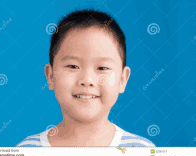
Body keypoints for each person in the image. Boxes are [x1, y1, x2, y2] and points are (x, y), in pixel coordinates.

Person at [16, 9, 156, 147]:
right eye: (73, 66)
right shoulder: (26, 151)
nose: (87, 80)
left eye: (102, 68)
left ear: (122, 80)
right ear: (51, 76)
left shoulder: (141, 150)